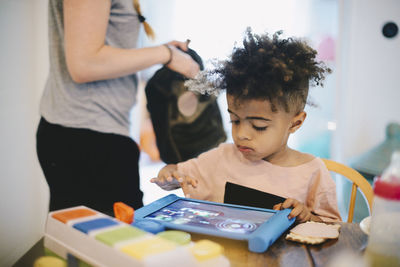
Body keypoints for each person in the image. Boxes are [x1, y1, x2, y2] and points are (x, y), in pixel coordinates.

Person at [151, 28, 342, 223]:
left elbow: (333, 228)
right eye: (235, 120)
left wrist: (306, 217)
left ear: (296, 122)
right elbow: (178, 173)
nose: (241, 134)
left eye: (259, 126)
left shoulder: (312, 173)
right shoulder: (221, 158)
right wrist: (169, 174)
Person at [36, 0, 200, 216]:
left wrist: (165, 52)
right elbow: (84, 64)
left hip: (83, 133)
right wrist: (165, 54)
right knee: (117, 241)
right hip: (87, 141)